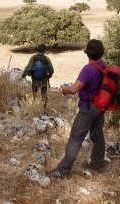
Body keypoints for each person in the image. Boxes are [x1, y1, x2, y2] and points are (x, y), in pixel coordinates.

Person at [48, 39, 107, 179]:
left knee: (75, 138)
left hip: (88, 108)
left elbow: (74, 89)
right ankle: (97, 165)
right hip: (100, 106)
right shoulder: (103, 65)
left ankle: (62, 171)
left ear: (87, 52)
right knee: (97, 136)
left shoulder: (88, 69)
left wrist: (64, 89)